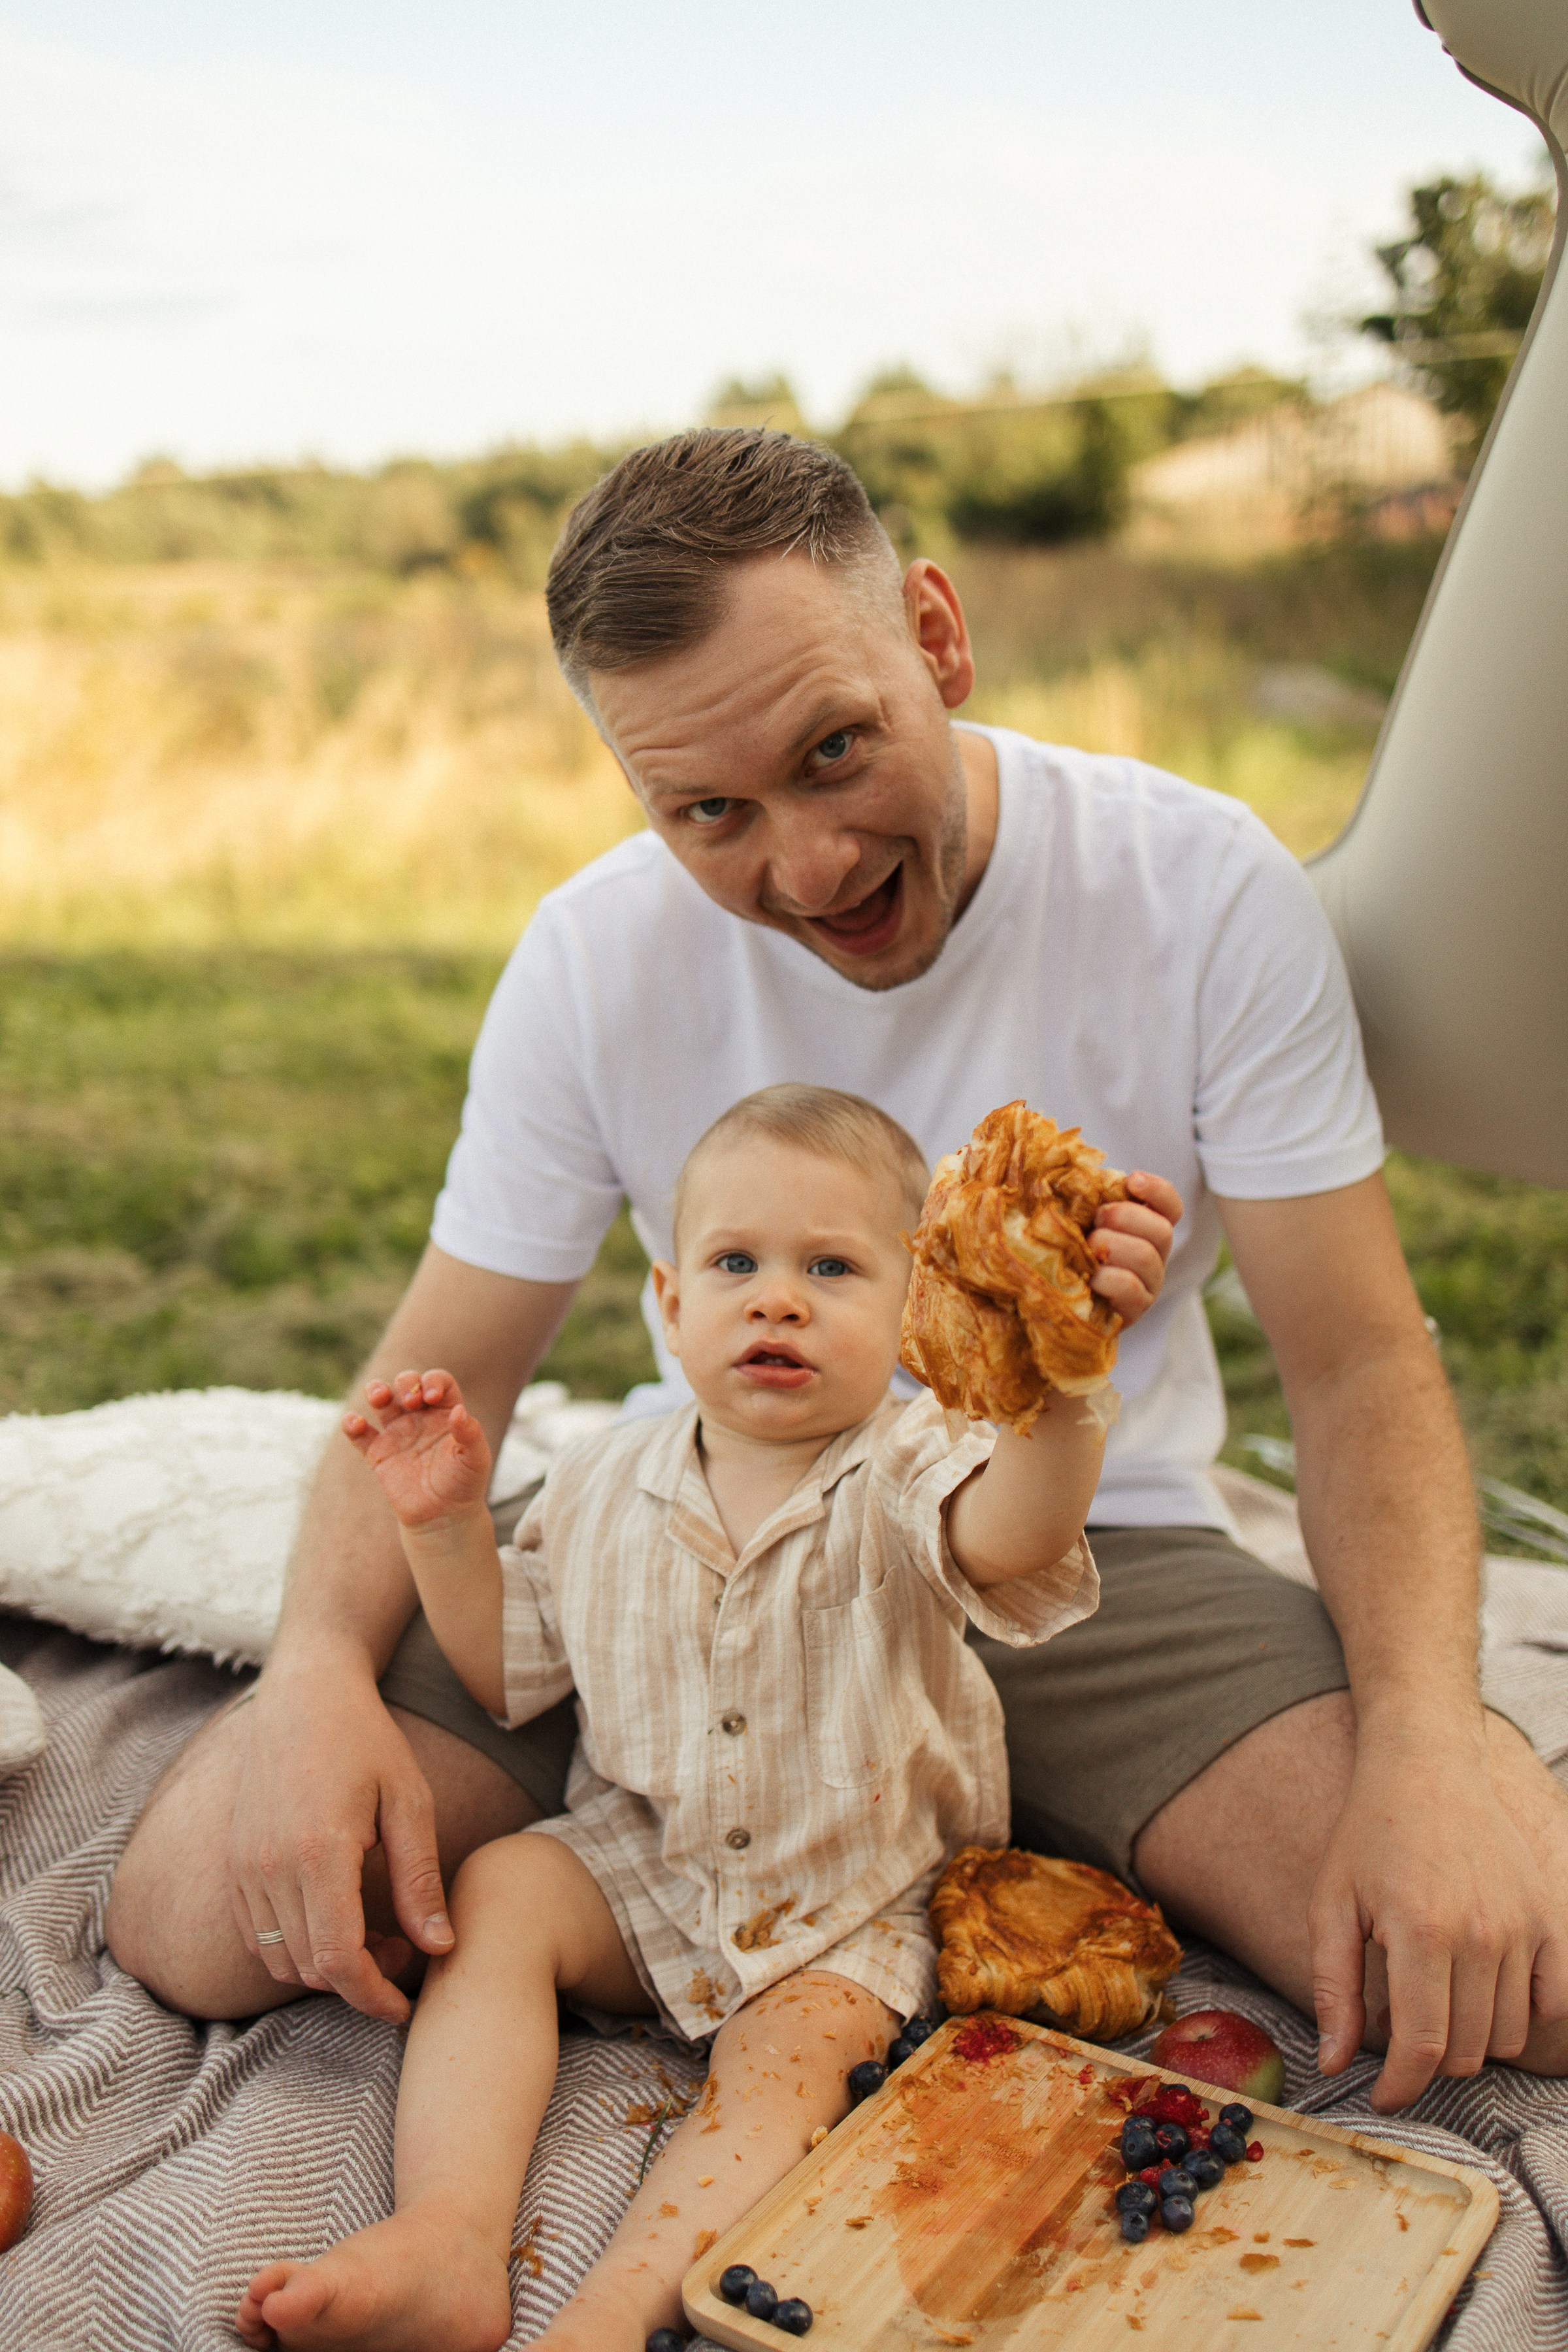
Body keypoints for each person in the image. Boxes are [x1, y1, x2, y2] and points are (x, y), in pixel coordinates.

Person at [108, 427, 1568, 2120]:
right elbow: (444, 1364)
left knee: (1518, 1968)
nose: (805, 872)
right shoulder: (595, 954)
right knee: (208, 1916)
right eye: (708, 811)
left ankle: (990, 1830)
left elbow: (1361, 1365)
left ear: (938, 638)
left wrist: (1428, 1742)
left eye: (837, 752)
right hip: (693, 1545)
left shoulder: (1198, 887)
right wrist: (312, 1676)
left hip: (1087, 1558)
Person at [236, 1085, 1115, 2352]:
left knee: (789, 2070)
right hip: (650, 1852)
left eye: (831, 1267)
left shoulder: (913, 1462)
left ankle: (610, 2313)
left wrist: (1066, 1390)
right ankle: (448, 2234)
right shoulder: (602, 1480)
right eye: (737, 1263)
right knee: (499, 1896)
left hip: (848, 1901)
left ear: (916, 1310)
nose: (778, 1298)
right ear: (669, 1302)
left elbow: (1019, 1533)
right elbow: (507, 1672)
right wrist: (441, 1532)